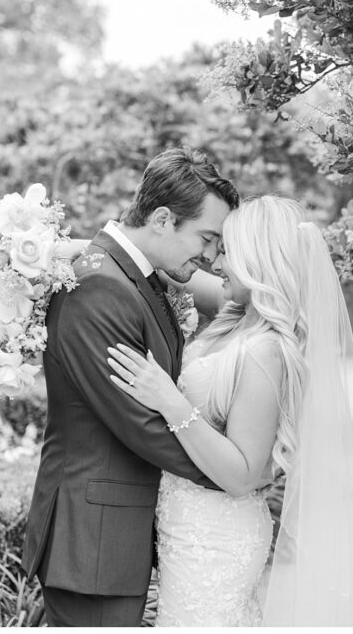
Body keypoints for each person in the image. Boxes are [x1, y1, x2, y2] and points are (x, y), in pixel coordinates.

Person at [105, 195, 353, 626]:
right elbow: (169, 270)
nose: (215, 262)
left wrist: (170, 401)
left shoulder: (267, 351)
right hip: (190, 528)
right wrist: (82, 250)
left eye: (226, 252)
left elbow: (242, 474)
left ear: (258, 261)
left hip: (217, 537)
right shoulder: (240, 316)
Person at [20, 147, 239, 627]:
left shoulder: (132, 276)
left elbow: (231, 296)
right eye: (207, 237)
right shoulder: (99, 285)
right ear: (162, 218)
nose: (211, 255)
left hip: (109, 538)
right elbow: (139, 423)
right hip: (91, 541)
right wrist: (233, 472)